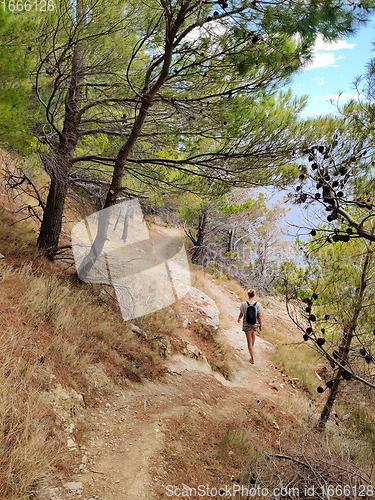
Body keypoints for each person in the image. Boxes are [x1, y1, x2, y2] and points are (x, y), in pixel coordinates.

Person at [237, 289, 262, 364]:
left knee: (249, 341)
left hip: (246, 324)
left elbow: (241, 314)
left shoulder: (243, 304)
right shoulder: (258, 304)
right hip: (254, 324)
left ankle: (252, 358)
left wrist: (239, 318)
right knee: (253, 334)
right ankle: (252, 349)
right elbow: (259, 316)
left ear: (248, 295)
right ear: (254, 295)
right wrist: (260, 325)